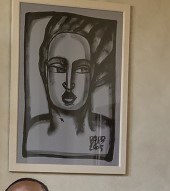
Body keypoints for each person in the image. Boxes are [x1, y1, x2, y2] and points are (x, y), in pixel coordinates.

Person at [24, 13, 116, 162]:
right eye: (58, 67)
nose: (69, 82)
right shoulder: (32, 133)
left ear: (92, 74)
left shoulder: (108, 132)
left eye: (81, 69)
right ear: (44, 70)